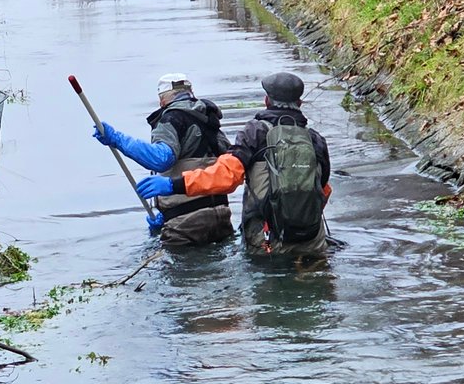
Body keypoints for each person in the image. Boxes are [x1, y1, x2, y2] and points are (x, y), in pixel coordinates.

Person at [136, 71, 331, 259]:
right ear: (299, 103)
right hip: (312, 242)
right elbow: (324, 190)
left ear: (267, 101)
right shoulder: (316, 140)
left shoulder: (255, 132)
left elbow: (225, 177)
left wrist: (174, 185)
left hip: (266, 243)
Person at [93, 74, 234, 245]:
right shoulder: (210, 121)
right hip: (221, 216)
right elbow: (231, 165)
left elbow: (161, 159)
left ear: (162, 100)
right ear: (190, 92)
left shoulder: (171, 118)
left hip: (185, 223)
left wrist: (118, 140)